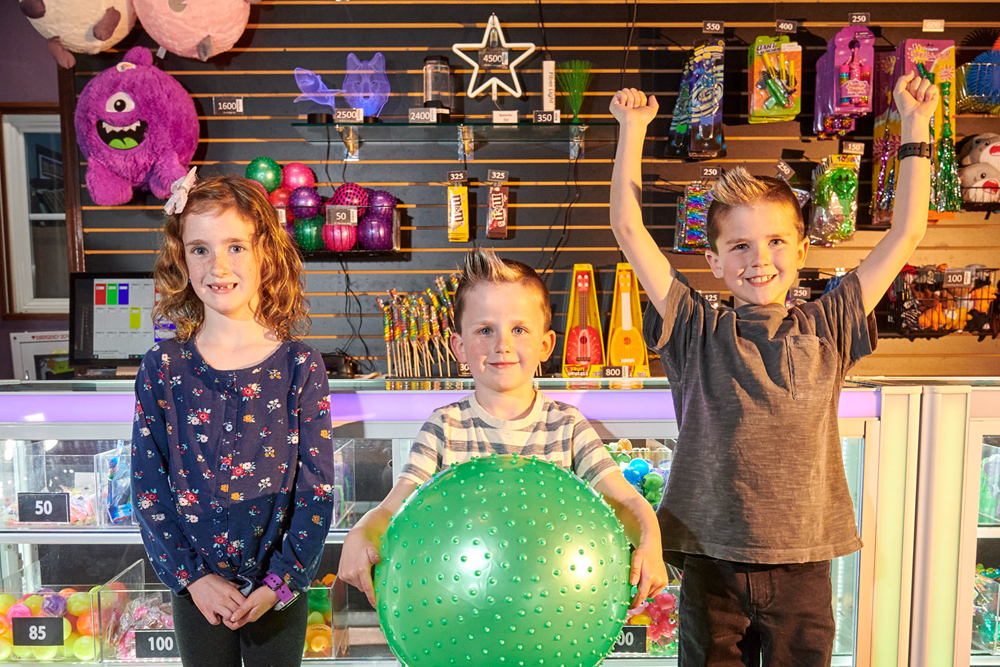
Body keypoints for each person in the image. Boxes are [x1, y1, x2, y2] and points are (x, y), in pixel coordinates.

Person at [607, 72, 938, 667]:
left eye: (776, 242)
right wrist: (632, 131)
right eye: (739, 246)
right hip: (712, 563)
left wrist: (915, 129)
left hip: (805, 566)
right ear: (712, 260)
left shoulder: (828, 322)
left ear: (802, 249)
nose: (760, 259)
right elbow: (629, 230)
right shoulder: (694, 327)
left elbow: (908, 231)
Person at [338, 248, 670, 608]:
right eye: (485, 330)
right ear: (460, 347)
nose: (503, 345)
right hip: (460, 605)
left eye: (519, 329)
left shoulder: (567, 426)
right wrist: (360, 534)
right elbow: (393, 509)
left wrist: (651, 541)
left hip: (553, 607)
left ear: (545, 344)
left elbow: (624, 501)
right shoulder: (444, 427)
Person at [131, 174, 335, 667]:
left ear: (266, 252)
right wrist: (193, 577)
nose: (218, 266)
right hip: (196, 591)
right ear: (181, 257)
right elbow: (147, 486)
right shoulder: (161, 368)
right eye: (200, 249)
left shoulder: (301, 366)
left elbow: (317, 490)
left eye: (236, 246)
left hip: (275, 592)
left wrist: (279, 583)